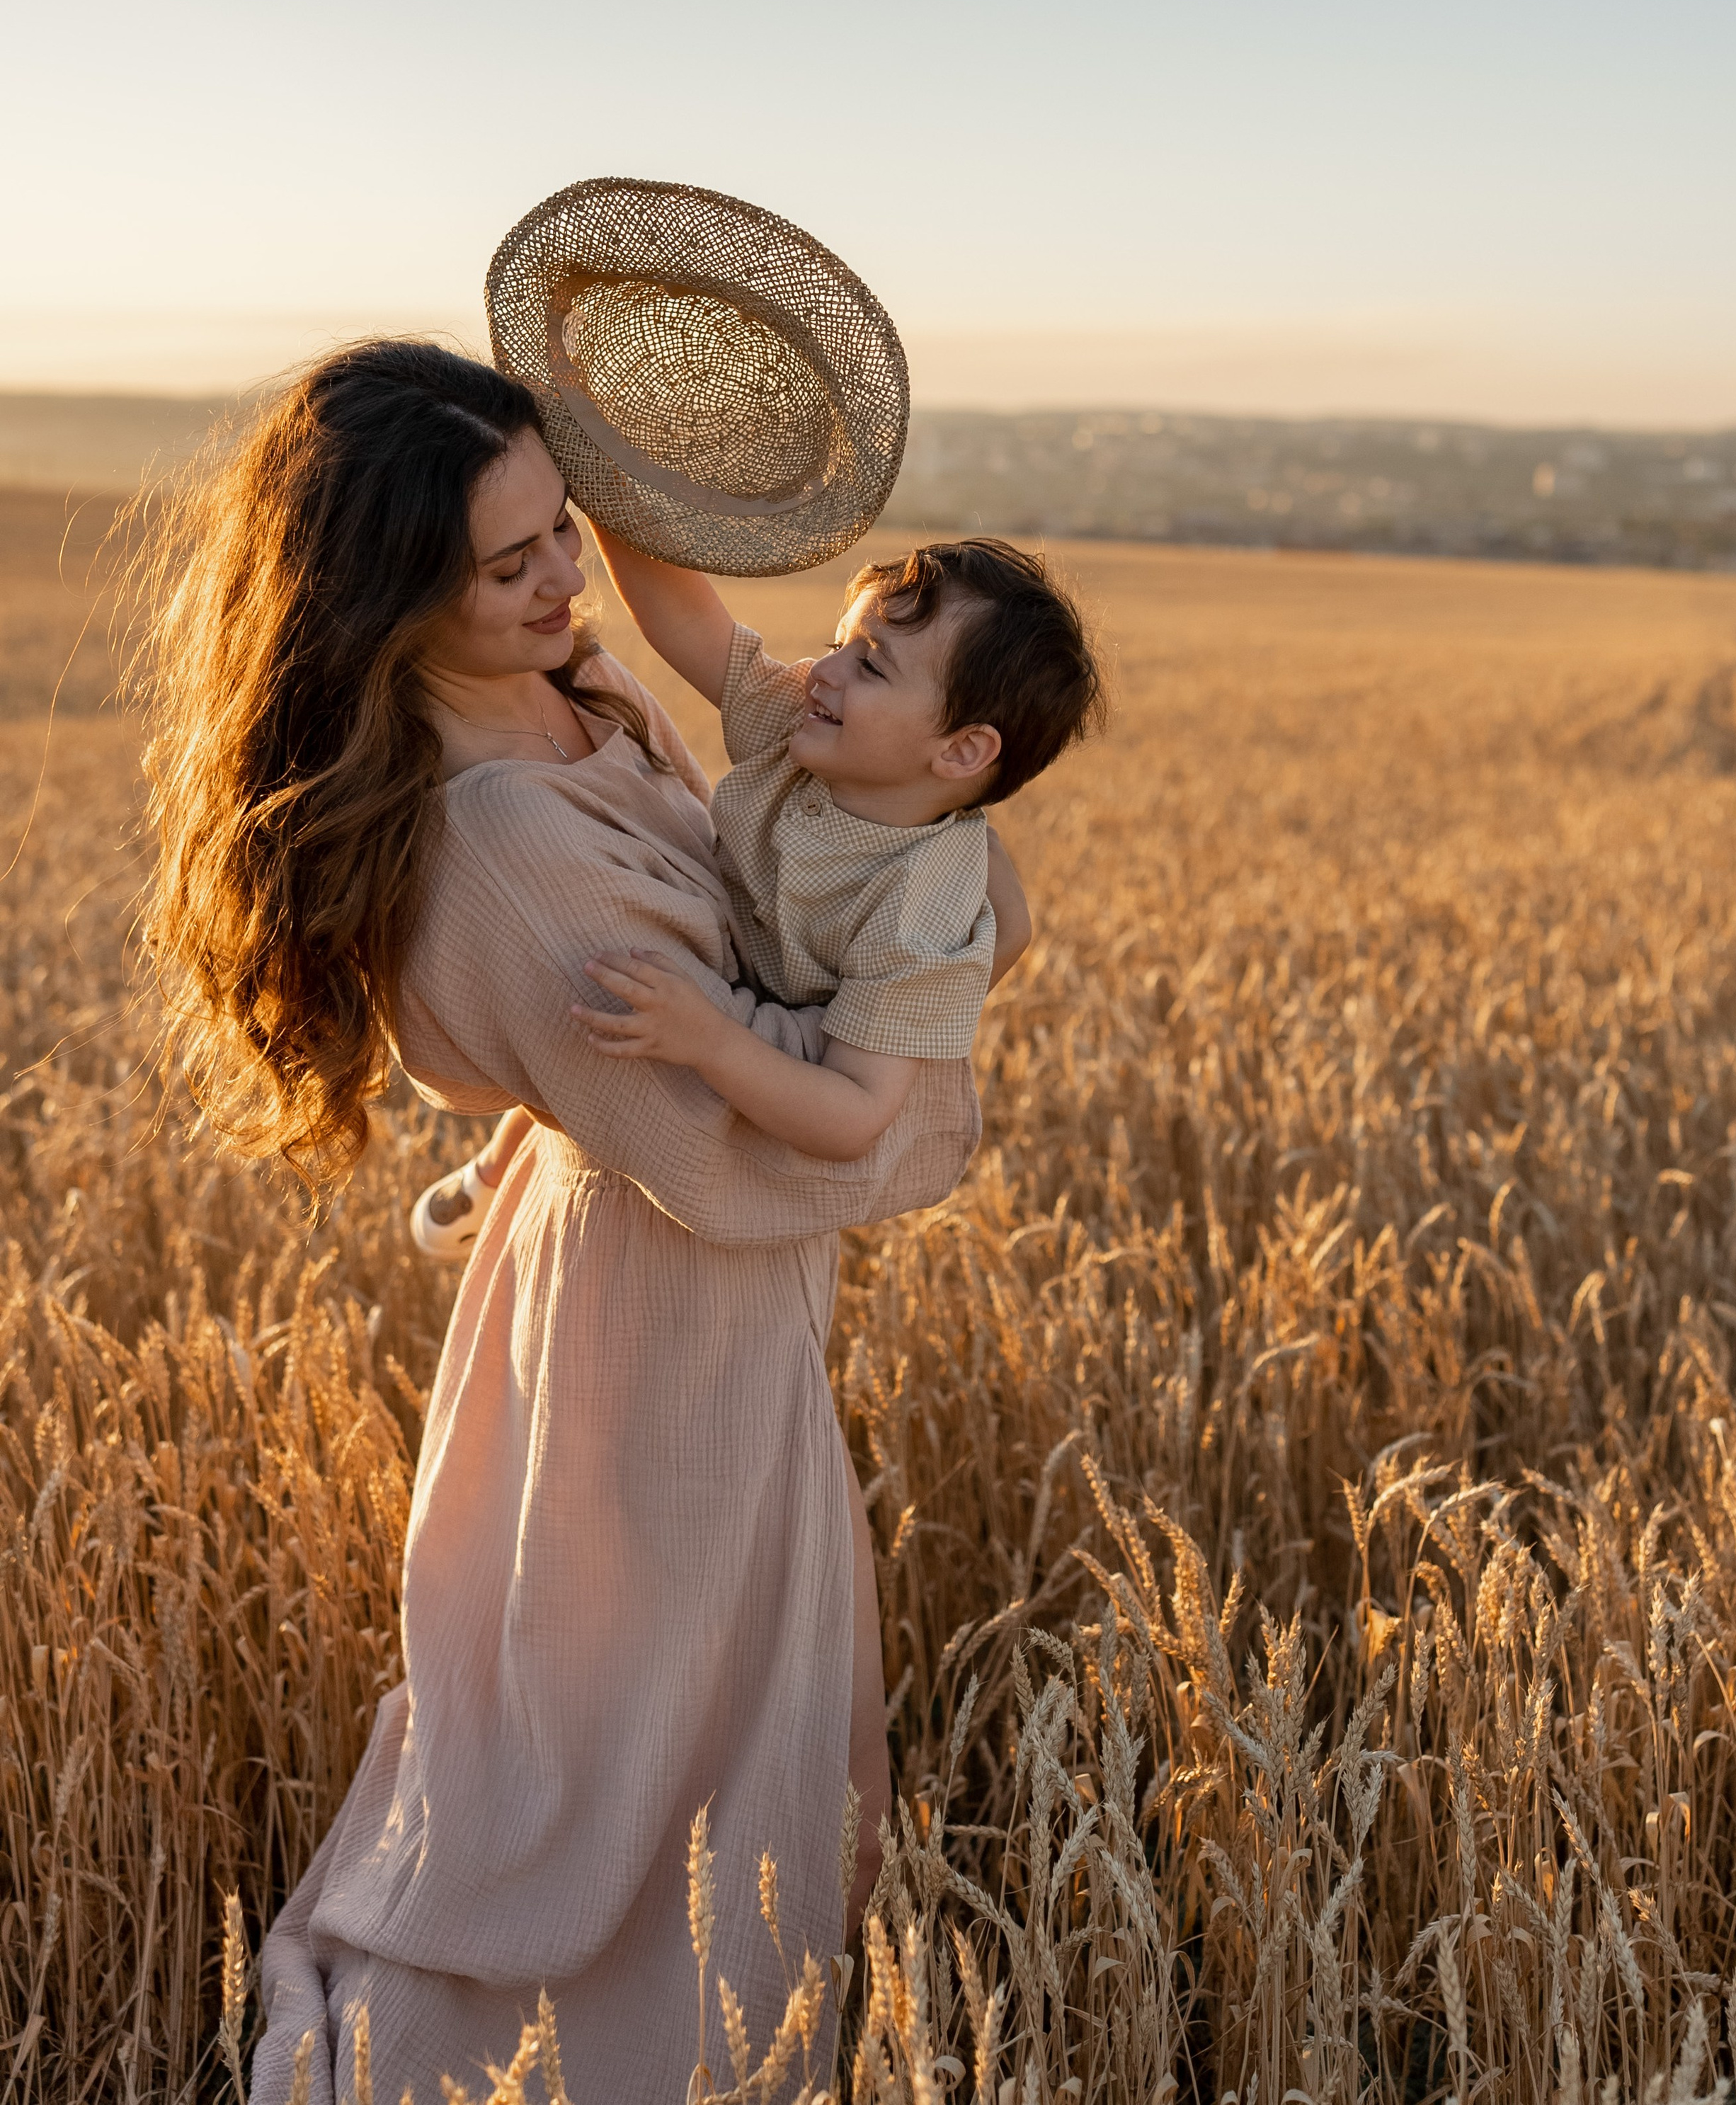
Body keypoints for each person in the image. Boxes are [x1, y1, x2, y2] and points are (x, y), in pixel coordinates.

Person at [135, 340, 1027, 2105]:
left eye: (565, 524)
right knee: (642, 1740)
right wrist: (929, 990)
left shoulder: (573, 686)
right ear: (390, 596)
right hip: (657, 1297)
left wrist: (924, 915)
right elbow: (730, 1141)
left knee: (723, 1706)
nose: (562, 576)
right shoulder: (502, 838)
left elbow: (757, 910)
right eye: (509, 560)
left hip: (682, 1273)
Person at [411, 537, 1097, 1260]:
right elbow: (690, 621)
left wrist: (712, 1040)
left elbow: (853, 1112)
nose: (824, 671)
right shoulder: (809, 730)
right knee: (594, 1009)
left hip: (792, 1052)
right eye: (838, 643)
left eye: (869, 665)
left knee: (635, 1023)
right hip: (719, 946)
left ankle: (497, 1171)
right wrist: (609, 496)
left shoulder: (922, 908)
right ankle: (497, 1168)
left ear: (961, 751)